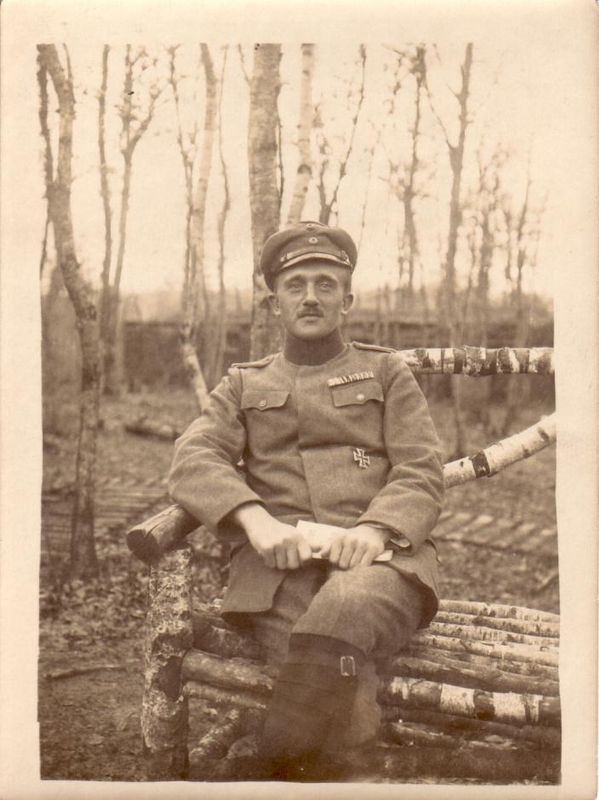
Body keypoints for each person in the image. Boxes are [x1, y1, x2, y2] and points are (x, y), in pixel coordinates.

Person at [168, 220, 445, 780]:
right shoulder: (243, 383)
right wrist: (254, 520)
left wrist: (374, 529)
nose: (311, 297)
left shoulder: (387, 372)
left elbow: (421, 467)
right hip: (278, 572)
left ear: (348, 299)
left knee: (344, 605)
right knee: (331, 663)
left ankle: (275, 761)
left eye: (325, 284)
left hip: (382, 564)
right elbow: (193, 457)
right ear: (275, 303)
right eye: (295, 285)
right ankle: (343, 775)